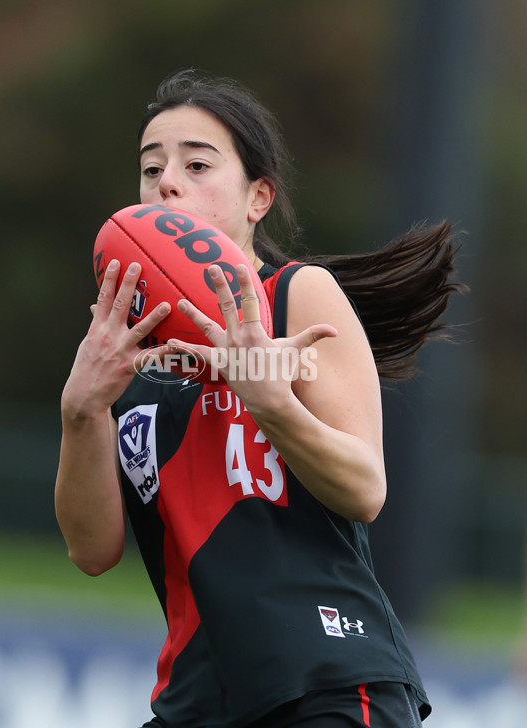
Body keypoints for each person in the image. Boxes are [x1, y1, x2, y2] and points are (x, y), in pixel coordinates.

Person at [55, 69, 464, 727]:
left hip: (328, 679)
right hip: (196, 702)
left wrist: (271, 402)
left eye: (197, 163)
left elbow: (364, 488)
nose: (166, 181)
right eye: (150, 167)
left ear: (258, 197)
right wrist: (82, 413)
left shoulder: (296, 298)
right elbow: (92, 550)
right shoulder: (126, 357)